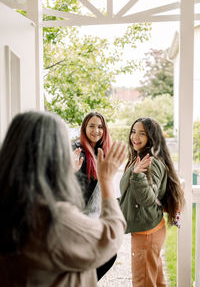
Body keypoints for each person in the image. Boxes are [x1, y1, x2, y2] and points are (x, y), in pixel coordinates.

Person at [0, 110, 127, 287]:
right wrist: (106, 181)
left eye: (100, 127)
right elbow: (111, 237)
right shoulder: (51, 218)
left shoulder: (11, 205)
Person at [119, 117, 184, 287]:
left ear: (152, 138)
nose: (135, 137)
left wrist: (138, 175)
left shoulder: (151, 162)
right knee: (154, 280)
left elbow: (147, 198)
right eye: (133, 132)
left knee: (143, 282)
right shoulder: (139, 158)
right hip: (148, 230)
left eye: (142, 133)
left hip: (147, 233)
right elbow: (130, 194)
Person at [73, 111, 117, 280]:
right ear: (84, 128)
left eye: (100, 127)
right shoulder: (78, 151)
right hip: (81, 222)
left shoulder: (101, 152)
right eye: (92, 126)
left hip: (95, 220)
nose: (96, 130)